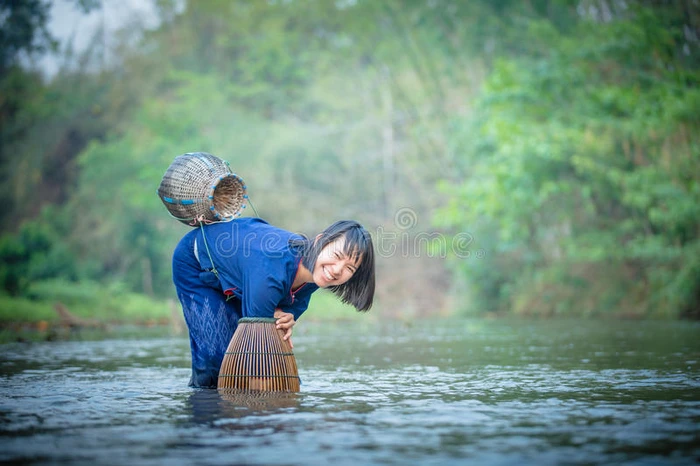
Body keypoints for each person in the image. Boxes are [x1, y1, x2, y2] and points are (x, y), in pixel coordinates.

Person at [172, 216, 376, 388]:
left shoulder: (315, 276)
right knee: (215, 358)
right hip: (196, 260)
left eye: (350, 268)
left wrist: (286, 316)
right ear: (320, 241)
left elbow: (286, 311)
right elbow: (255, 342)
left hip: (247, 278)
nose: (338, 269)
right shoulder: (272, 270)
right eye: (337, 255)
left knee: (252, 362)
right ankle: (204, 415)